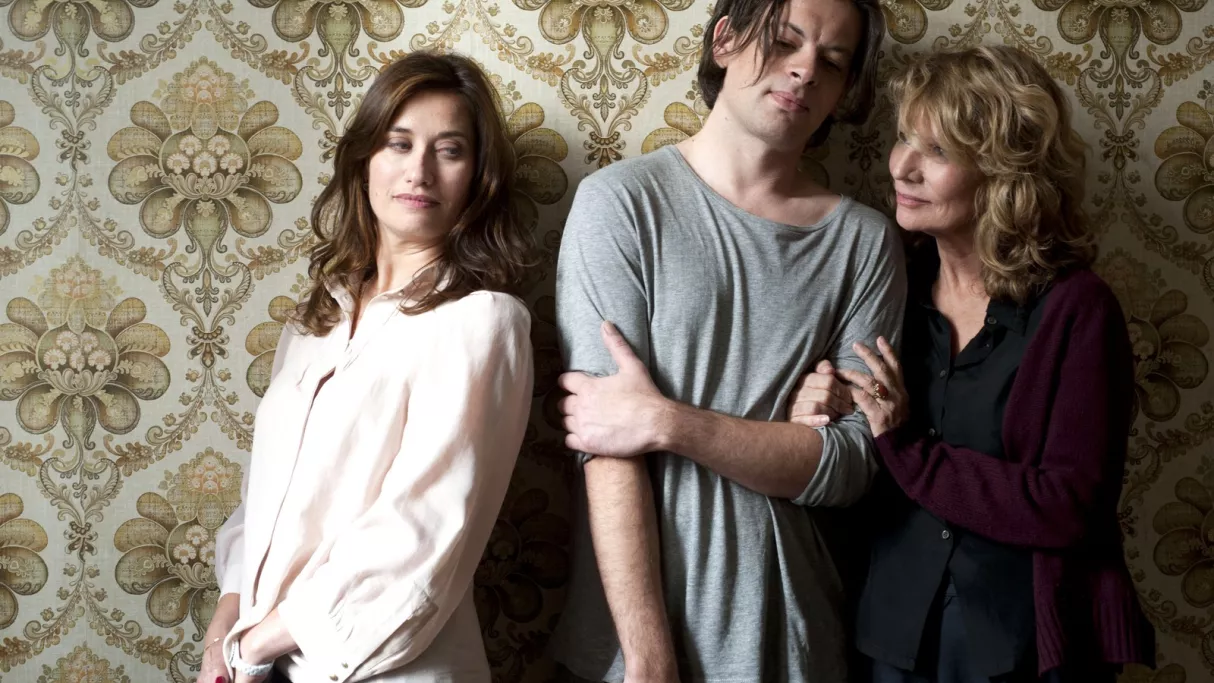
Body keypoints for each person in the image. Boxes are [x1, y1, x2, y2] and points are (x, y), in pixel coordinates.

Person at [547, 0, 901, 679]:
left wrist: (665, 422)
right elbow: (605, 445)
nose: (805, 71)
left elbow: (852, 465)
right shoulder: (619, 203)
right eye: (786, 41)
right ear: (726, 40)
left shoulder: (864, 242)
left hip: (795, 636)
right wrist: (649, 658)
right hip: (629, 651)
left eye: (832, 62)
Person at [790, 45, 1156, 682]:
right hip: (890, 637)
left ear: (1004, 172)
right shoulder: (892, 289)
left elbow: (1068, 505)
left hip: (1025, 647)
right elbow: (855, 462)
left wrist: (907, 446)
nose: (902, 166)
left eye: (937, 151)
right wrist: (825, 405)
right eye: (905, 138)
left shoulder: (1077, 310)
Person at [199, 51, 536, 683]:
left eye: (450, 150)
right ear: (364, 160)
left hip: (388, 668)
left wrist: (253, 648)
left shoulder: (482, 323)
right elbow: (261, 505)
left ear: (477, 177)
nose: (419, 170)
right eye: (398, 143)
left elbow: (419, 536)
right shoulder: (312, 324)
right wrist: (224, 630)